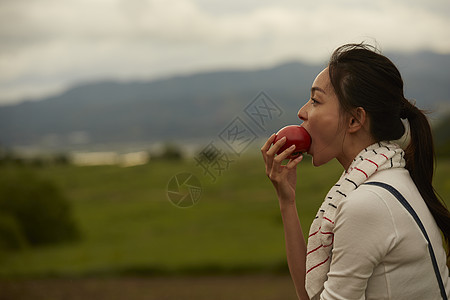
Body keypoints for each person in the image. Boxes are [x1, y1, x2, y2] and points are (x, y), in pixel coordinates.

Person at [261, 43, 450, 300]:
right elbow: (312, 295)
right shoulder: (394, 176)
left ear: (354, 120)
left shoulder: (367, 203)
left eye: (316, 101)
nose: (302, 112)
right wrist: (287, 200)